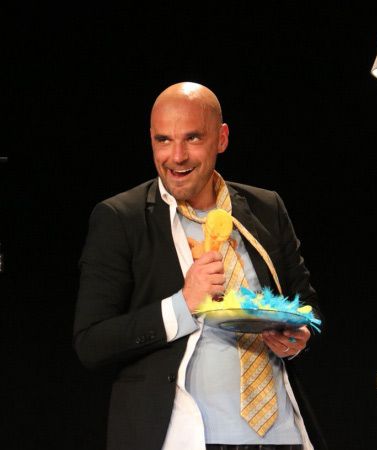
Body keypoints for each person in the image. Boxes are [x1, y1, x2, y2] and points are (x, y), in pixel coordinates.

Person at [73, 81, 321, 450]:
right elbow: (92, 342)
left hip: (281, 436)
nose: (177, 156)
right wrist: (183, 304)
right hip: (183, 437)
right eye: (163, 140)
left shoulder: (266, 207)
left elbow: (307, 305)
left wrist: (298, 336)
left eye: (192, 138)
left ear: (221, 139)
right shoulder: (122, 219)